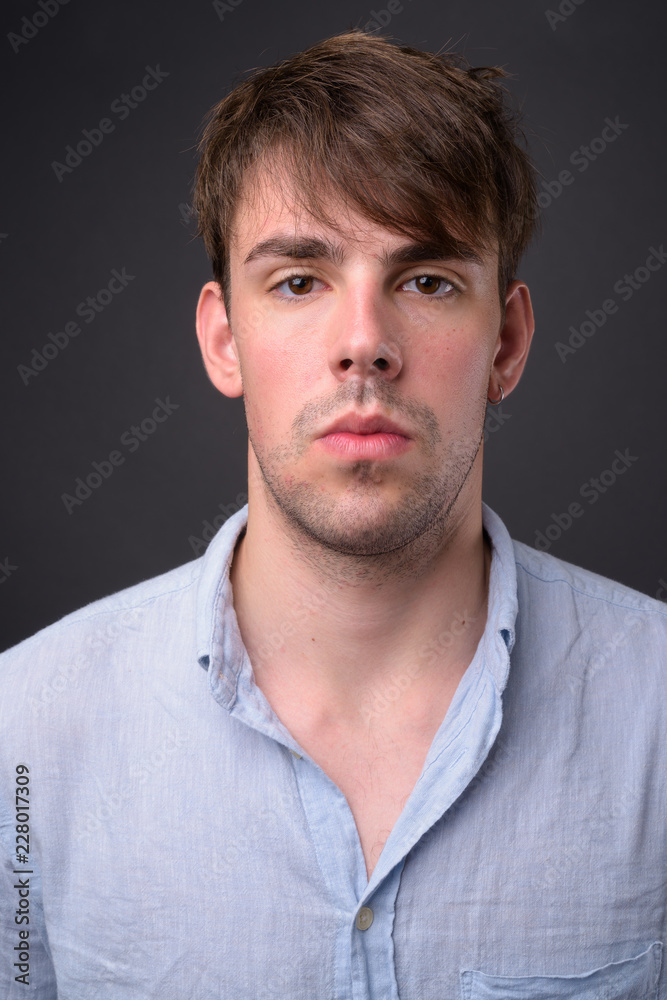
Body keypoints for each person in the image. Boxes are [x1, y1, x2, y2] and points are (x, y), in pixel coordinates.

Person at [1, 29, 665, 1000]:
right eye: (300, 281)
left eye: (426, 280)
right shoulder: (23, 734)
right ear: (223, 339)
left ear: (507, 343)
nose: (364, 343)